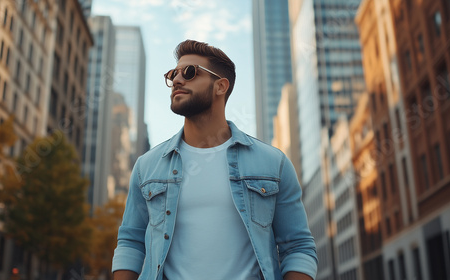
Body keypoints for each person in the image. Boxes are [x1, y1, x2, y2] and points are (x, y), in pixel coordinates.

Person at [112, 40, 317, 280]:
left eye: (189, 73)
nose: (177, 80)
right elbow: (130, 242)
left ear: (221, 86)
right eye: (172, 74)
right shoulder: (147, 167)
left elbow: (298, 247)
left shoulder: (273, 164)